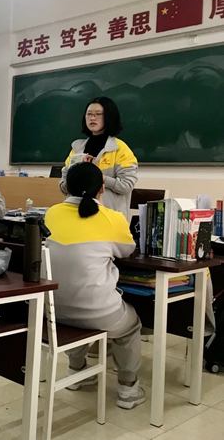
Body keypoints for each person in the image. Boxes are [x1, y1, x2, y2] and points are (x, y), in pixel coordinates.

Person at [45, 162, 145, 410]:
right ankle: (128, 389)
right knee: (131, 327)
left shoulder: (51, 213)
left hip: (52, 311)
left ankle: (76, 370)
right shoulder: (112, 218)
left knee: (74, 308)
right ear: (102, 188)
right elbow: (127, 250)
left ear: (67, 187)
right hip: (97, 313)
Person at [60, 96, 138, 217]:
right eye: (89, 114)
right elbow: (62, 187)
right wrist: (75, 176)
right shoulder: (76, 149)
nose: (92, 118)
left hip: (109, 217)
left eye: (98, 114)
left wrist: (99, 178)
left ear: (109, 116)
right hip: (77, 216)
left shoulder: (120, 149)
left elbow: (126, 186)